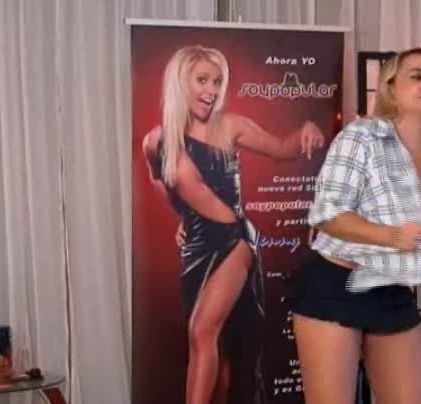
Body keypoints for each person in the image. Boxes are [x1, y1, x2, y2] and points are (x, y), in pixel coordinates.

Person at [142, 45, 325, 404]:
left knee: (201, 331)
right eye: (202, 80)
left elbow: (281, 148)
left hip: (235, 239)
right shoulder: (157, 141)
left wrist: (306, 129)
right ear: (180, 82)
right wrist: (184, 216)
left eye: (217, 81)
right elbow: (159, 179)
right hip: (197, 246)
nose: (211, 90)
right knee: (221, 346)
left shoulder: (230, 125)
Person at [291, 48, 421, 404]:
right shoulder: (361, 136)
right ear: (391, 87)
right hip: (335, 284)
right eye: (417, 76)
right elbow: (327, 214)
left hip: (391, 289)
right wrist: (391, 237)